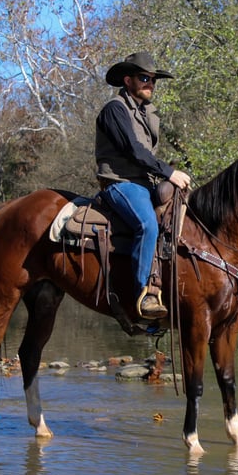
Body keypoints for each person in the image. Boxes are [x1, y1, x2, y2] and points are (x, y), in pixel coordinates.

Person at [95, 52, 191, 320]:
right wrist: (169, 172)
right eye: (145, 78)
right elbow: (133, 150)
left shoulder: (144, 112)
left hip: (144, 184)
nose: (151, 84)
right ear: (128, 80)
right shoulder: (114, 109)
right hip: (120, 183)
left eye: (153, 80)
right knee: (147, 225)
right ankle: (144, 294)